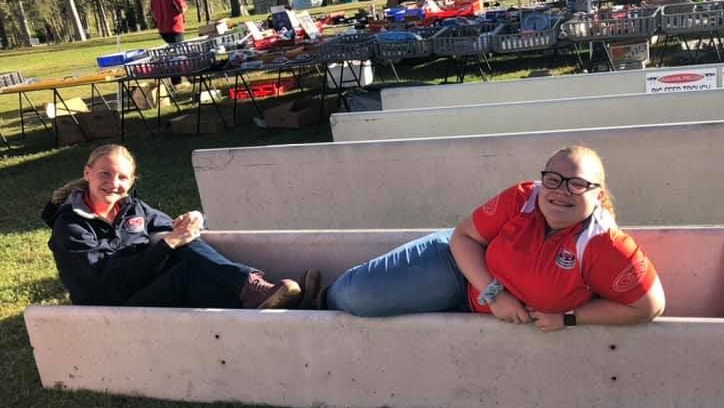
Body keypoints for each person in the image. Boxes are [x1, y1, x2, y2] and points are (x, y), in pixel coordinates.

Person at [313, 146, 666, 331]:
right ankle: (310, 298)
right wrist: (494, 295)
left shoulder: (606, 244)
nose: (560, 192)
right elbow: (464, 236)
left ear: (598, 192)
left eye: (576, 183)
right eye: (553, 180)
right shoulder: (524, 197)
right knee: (357, 295)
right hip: (458, 271)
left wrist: (569, 319)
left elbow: (649, 306)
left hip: (484, 304)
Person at [42, 144, 319, 310]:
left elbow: (171, 226)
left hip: (141, 285)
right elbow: (107, 283)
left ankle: (258, 290)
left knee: (187, 245)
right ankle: (269, 297)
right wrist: (169, 243)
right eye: (105, 173)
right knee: (185, 272)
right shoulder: (71, 226)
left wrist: (195, 219)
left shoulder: (130, 208)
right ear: (87, 173)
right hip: (111, 305)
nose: (113, 183)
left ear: (131, 182)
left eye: (122, 177)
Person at [149, 0, 187, 85]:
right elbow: (181, 8)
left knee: (172, 54)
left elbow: (153, 12)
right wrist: (185, 7)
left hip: (163, 29)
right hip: (175, 27)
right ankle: (178, 82)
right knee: (178, 56)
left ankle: (177, 80)